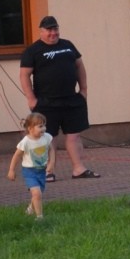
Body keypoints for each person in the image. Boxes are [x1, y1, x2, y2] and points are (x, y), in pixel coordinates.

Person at [19, 16, 99, 180]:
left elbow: (79, 66)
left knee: (74, 136)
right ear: (41, 31)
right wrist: (31, 99)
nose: (53, 33)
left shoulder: (68, 46)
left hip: (71, 100)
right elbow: (24, 75)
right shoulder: (32, 50)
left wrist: (83, 90)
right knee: (48, 137)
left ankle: (78, 169)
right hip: (46, 102)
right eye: (49, 30)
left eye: (55, 29)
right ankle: (49, 171)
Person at [8, 112, 54, 220]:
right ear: (30, 128)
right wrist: (11, 170)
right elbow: (16, 156)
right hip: (30, 171)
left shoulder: (46, 137)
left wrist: (51, 163)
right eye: (40, 126)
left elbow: (51, 149)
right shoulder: (26, 142)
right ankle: (39, 217)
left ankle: (30, 208)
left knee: (37, 194)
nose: (43, 128)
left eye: (44, 125)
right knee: (37, 193)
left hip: (41, 170)